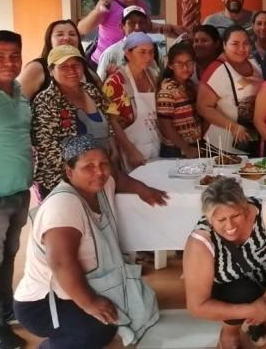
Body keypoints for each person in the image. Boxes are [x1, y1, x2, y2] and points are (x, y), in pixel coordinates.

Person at [14, 135, 160, 349]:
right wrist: (89, 303)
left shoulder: (102, 184)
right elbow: (61, 263)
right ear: (69, 171)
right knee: (97, 330)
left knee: (138, 307)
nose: (99, 172)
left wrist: (143, 189)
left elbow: (118, 178)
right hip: (44, 302)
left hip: (76, 286)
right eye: (88, 167)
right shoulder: (63, 206)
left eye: (103, 164)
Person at [183, 177, 266, 349]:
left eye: (235, 215)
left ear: (245, 208)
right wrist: (252, 310)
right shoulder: (200, 241)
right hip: (230, 290)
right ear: (209, 218)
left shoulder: (262, 211)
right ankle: (230, 332)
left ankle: (255, 321)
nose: (230, 226)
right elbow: (196, 306)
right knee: (243, 291)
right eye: (221, 220)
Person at [32, 45, 114, 198]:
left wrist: (110, 157)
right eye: (63, 66)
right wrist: (75, 180)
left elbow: (108, 125)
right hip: (62, 183)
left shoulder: (91, 90)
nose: (71, 70)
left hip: (97, 175)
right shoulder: (46, 100)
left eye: (76, 65)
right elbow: (48, 150)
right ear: (51, 71)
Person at [0, 30, 29, 349]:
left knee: (7, 258)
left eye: (14, 55)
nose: (8, 62)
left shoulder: (18, 90)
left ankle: (5, 311)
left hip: (18, 192)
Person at [77, 0, 182, 66]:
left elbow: (146, 26)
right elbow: (82, 29)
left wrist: (168, 28)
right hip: (104, 61)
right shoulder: (109, 4)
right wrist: (97, 11)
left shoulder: (143, 6)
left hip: (130, 63)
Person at [198, 25, 263, 155]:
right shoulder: (217, 69)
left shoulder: (253, 63)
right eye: (235, 44)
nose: (241, 48)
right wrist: (233, 127)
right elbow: (202, 107)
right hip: (222, 147)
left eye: (246, 43)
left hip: (251, 141)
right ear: (224, 45)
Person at [102, 32, 161, 170]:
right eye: (142, 52)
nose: (148, 57)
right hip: (130, 153)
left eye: (151, 52)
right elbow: (112, 122)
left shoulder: (153, 76)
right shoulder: (116, 82)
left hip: (154, 146)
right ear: (128, 53)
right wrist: (130, 151)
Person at [17, 20, 98, 100]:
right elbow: (14, 103)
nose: (67, 38)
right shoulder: (37, 67)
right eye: (60, 34)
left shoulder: (87, 68)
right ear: (49, 40)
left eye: (72, 34)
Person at [156, 43, 202, 158]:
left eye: (189, 63)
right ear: (171, 65)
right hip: (176, 149)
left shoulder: (191, 86)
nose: (186, 68)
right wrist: (185, 148)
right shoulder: (167, 92)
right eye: (180, 64)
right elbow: (165, 125)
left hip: (193, 145)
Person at [96, 5, 159, 81]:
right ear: (122, 27)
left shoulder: (155, 51)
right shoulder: (110, 54)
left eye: (141, 22)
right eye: (131, 23)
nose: (137, 27)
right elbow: (99, 86)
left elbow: (161, 82)